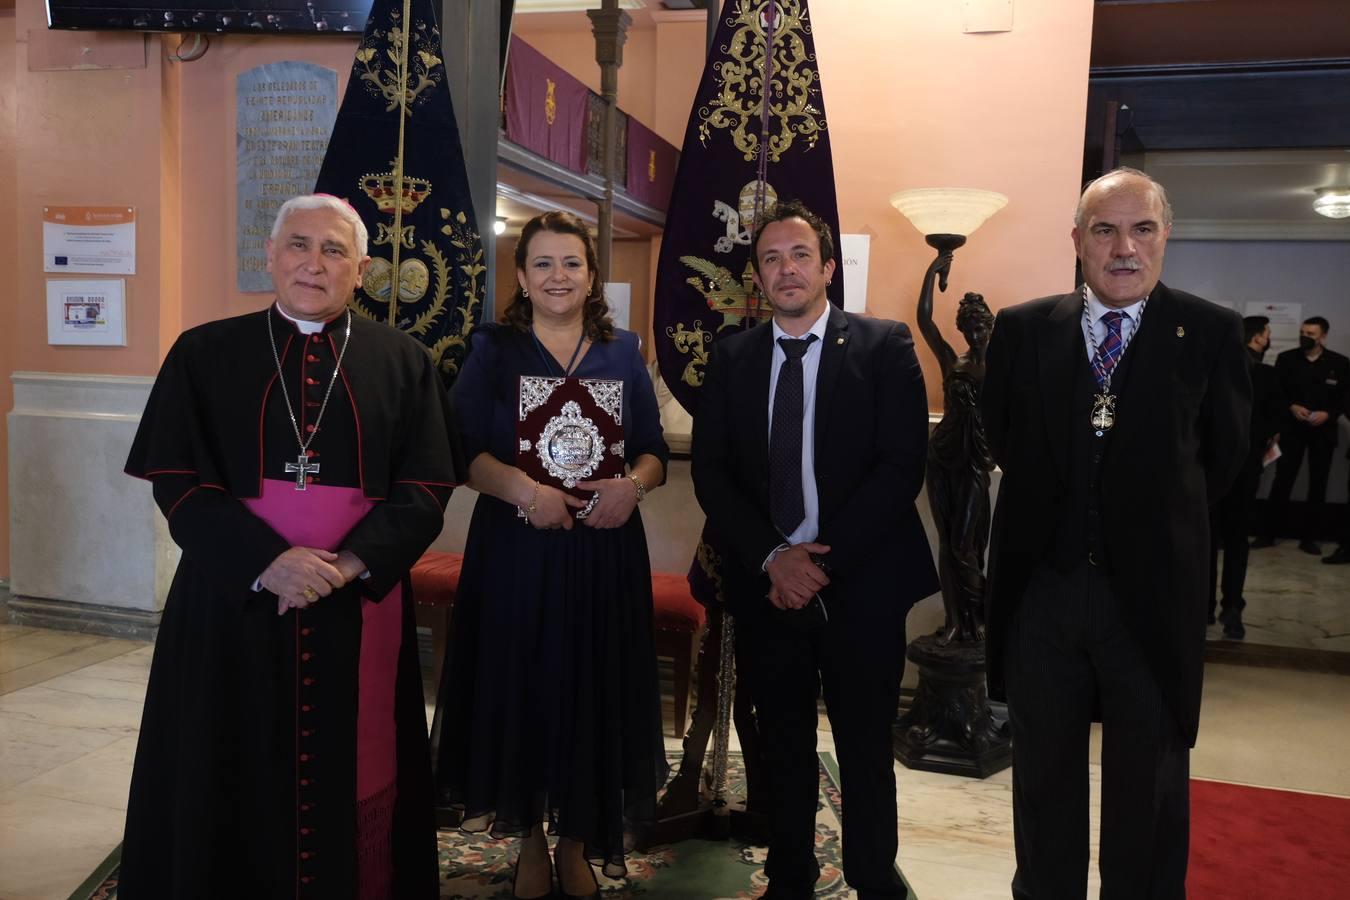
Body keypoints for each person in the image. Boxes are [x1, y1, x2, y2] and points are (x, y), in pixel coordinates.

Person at [122, 194, 460, 899]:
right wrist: (267, 562)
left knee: (355, 762)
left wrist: (346, 564)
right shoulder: (204, 352)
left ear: (362, 270)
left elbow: (427, 486)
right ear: (270, 256)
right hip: (231, 598)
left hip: (355, 600)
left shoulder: (405, 361)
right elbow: (176, 478)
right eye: (299, 245)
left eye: (335, 251)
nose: (315, 262)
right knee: (225, 753)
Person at [981, 168, 1250, 899]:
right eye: (1104, 230)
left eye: (1142, 229)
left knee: (1151, 782)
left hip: (1153, 602)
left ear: (1166, 238)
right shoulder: (1021, 330)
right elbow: (1006, 439)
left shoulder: (1213, 334)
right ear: (1077, 241)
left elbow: (1222, 462)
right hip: (1045, 595)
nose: (1123, 246)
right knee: (1043, 778)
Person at [692, 200, 937, 899]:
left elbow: (900, 466)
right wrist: (775, 558)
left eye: (800, 254)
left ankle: (871, 878)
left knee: (864, 746)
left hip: (861, 583)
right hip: (769, 585)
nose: (786, 268)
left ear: (828, 267)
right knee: (783, 744)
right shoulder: (733, 356)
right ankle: (789, 878)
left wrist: (819, 564)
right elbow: (712, 472)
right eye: (771, 258)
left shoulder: (884, 346)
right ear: (758, 279)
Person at [431, 211, 668, 900]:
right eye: (543, 263)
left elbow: (652, 451)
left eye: (571, 263)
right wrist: (524, 491)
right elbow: (460, 450)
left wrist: (635, 487)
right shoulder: (493, 350)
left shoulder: (623, 351)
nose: (558, 276)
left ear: (592, 275)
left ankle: (574, 843)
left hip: (603, 550)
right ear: (522, 276)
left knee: (591, 687)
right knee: (523, 685)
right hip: (517, 550)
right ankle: (530, 840)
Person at [915, 283, 997, 645]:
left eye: (981, 327)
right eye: (970, 328)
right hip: (942, 455)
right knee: (948, 543)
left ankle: (978, 616)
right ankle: (954, 621)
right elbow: (925, 320)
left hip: (976, 461)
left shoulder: (1002, 367)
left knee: (966, 543)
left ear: (990, 327)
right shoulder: (953, 360)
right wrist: (936, 266)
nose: (975, 334)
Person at [1208, 316, 1285, 638]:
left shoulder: (1212, 369)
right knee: (1236, 541)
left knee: (1208, 540)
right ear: (1255, 338)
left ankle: (1204, 608)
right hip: (1242, 469)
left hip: (1209, 467)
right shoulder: (1265, 375)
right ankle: (1232, 608)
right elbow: (1274, 422)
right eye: (1266, 333)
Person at [1253, 315, 1350, 554]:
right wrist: (1291, 406)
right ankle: (1268, 533)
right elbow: (1277, 392)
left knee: (1318, 484)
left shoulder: (1340, 363)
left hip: (1323, 432)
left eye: (1311, 334)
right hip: (1292, 430)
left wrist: (1328, 413)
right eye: (1303, 332)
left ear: (1323, 336)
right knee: (1282, 481)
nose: (1305, 337)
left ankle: (1310, 538)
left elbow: (1344, 399)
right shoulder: (1286, 360)